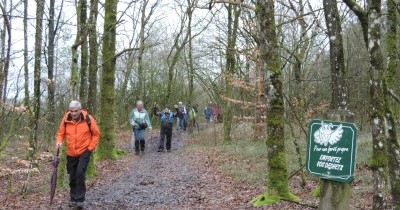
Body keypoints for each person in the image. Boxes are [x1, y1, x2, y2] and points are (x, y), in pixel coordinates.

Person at [55, 100, 100, 207]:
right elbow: (60, 133)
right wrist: (59, 141)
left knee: (80, 173)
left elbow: (96, 134)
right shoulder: (66, 119)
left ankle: (80, 199)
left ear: (80, 110)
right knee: (72, 176)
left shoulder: (88, 119)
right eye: (71, 111)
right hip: (70, 152)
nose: (73, 113)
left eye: (75, 111)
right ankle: (73, 197)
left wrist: (90, 148)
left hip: (85, 151)